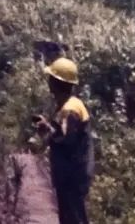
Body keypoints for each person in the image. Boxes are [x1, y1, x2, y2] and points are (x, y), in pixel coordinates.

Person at [34, 57, 94, 224]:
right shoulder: (72, 104)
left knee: (73, 218)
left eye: (50, 79)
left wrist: (47, 129)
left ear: (55, 83)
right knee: (73, 216)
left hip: (72, 175)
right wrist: (49, 126)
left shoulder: (69, 110)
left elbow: (67, 140)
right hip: (73, 173)